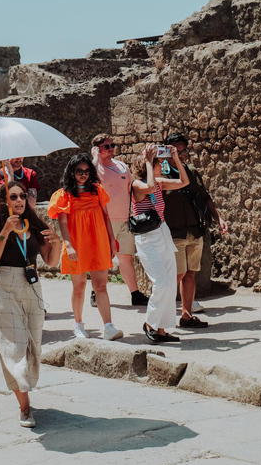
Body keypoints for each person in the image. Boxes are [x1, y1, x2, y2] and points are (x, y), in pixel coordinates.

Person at [0, 181, 61, 427]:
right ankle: (25, 407)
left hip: (31, 286)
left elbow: (50, 261)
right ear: (4, 202)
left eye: (22, 196)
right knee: (14, 349)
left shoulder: (36, 225)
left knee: (32, 346)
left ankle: (25, 387)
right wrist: (6, 231)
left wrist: (57, 243)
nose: (18, 200)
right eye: (13, 196)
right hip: (3, 287)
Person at [48, 153, 122, 341]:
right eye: (79, 171)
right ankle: (78, 325)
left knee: (101, 285)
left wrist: (112, 240)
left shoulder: (97, 190)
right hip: (76, 243)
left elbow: (106, 217)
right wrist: (69, 246)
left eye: (87, 171)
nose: (83, 175)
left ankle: (108, 326)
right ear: (72, 172)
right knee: (79, 286)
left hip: (98, 240)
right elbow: (62, 223)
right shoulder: (64, 194)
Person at [161, 133, 228, 327]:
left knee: (190, 273)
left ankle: (187, 316)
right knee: (176, 275)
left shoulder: (191, 171)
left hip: (194, 230)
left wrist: (219, 218)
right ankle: (159, 319)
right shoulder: (161, 173)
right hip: (174, 232)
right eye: (174, 150)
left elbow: (205, 197)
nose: (179, 154)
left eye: (182, 150)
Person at [131, 144, 189, 343]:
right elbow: (148, 188)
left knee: (170, 284)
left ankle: (161, 329)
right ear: (147, 164)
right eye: (159, 162)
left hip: (163, 234)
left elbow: (183, 181)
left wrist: (176, 158)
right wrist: (148, 161)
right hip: (148, 239)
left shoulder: (159, 183)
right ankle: (150, 324)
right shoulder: (137, 185)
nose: (162, 165)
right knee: (162, 283)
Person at [91, 134, 150, 307]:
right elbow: (90, 181)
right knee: (102, 259)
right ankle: (96, 292)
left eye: (111, 145)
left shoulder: (122, 166)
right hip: (103, 221)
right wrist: (95, 158)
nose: (110, 149)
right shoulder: (94, 167)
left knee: (126, 258)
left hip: (124, 219)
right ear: (96, 149)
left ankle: (135, 294)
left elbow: (131, 190)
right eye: (105, 147)